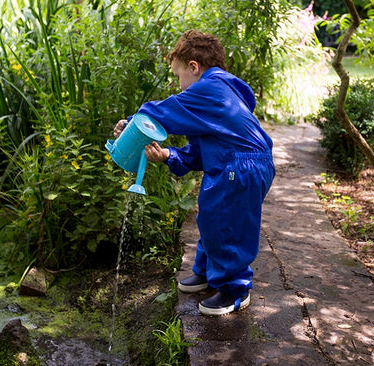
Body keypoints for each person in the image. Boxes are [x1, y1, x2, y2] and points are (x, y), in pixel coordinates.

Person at [113, 30, 275, 316]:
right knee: (211, 218)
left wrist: (131, 124)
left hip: (242, 166)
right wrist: (168, 155)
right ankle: (206, 272)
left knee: (228, 224)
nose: (179, 85)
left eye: (178, 76)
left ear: (193, 67)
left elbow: (164, 111)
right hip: (233, 163)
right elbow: (198, 152)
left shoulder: (209, 89)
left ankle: (235, 291)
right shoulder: (217, 97)